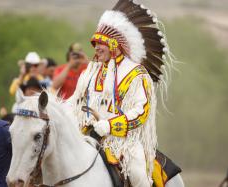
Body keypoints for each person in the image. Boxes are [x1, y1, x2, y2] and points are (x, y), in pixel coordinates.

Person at [70, 1, 175, 186]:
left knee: (136, 173)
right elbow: (76, 102)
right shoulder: (91, 71)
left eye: (101, 43)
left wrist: (109, 126)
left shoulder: (136, 74)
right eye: (95, 43)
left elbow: (141, 113)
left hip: (123, 142)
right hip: (86, 135)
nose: (96, 48)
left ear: (115, 45)